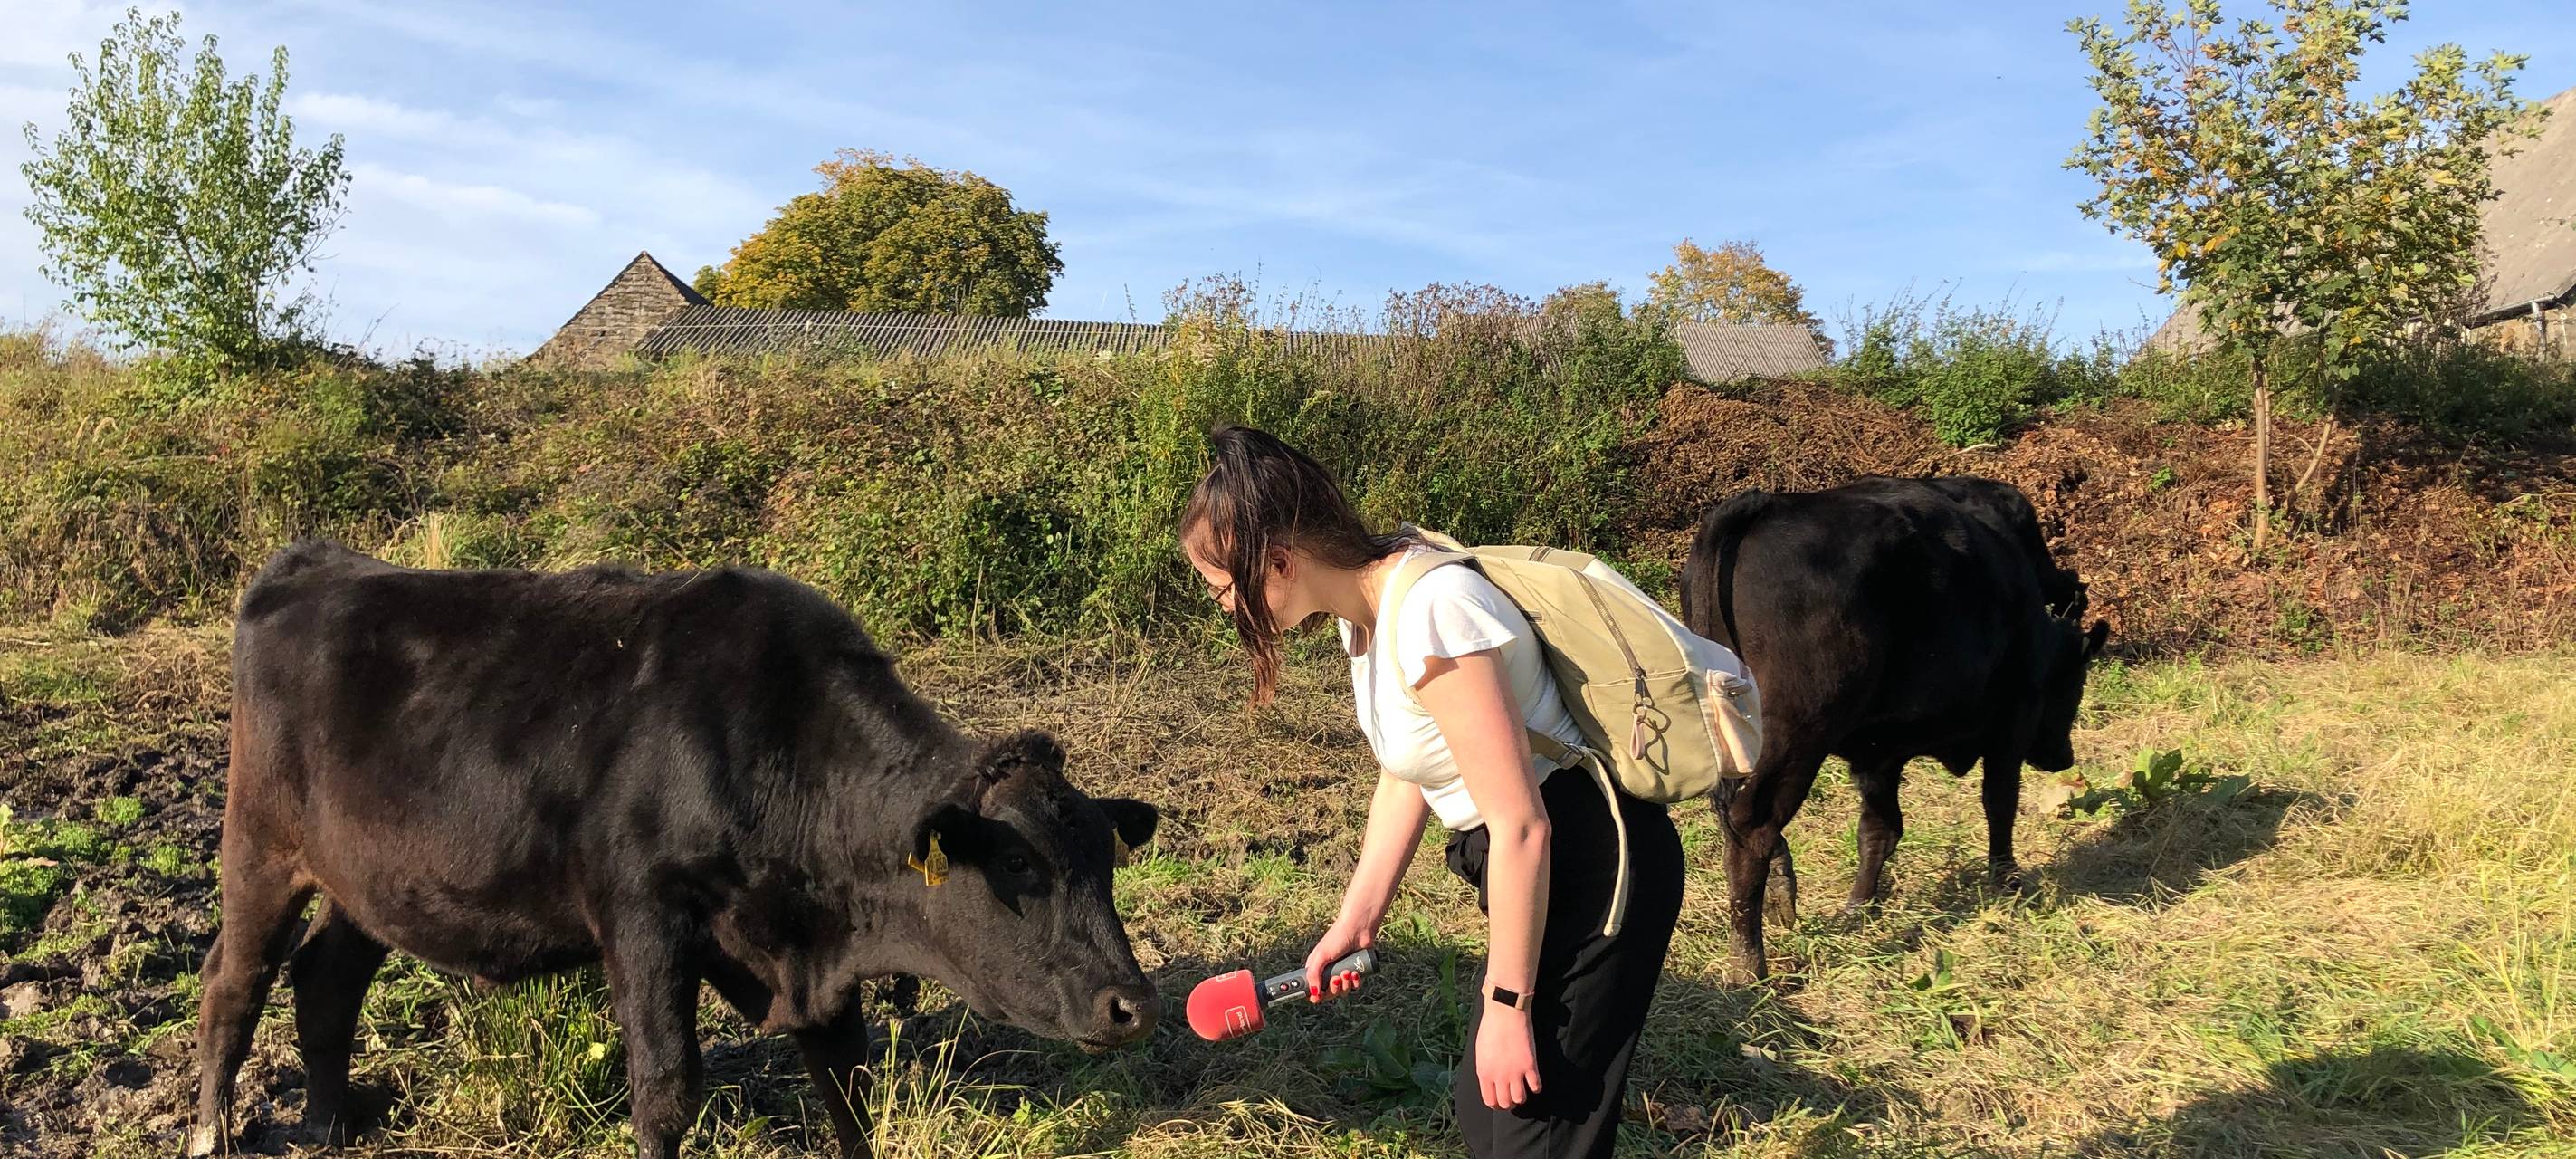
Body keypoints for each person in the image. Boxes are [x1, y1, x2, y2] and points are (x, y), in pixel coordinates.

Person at [1178, 425, 1685, 1159]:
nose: (1226, 608)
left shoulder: (1430, 610)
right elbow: (1410, 769)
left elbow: (1523, 827)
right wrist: (1356, 920)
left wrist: (1508, 1004)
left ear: (1279, 563)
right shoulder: (1368, 617)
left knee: (1533, 1131)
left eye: (1223, 589)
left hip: (1592, 866)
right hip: (1538, 867)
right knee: (1486, 1116)